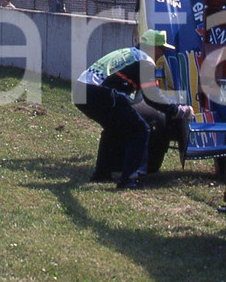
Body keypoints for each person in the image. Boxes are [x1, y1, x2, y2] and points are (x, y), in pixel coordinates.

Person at [74, 29, 193, 189]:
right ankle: (129, 179)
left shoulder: (129, 53)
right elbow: (152, 97)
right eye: (162, 49)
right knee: (140, 130)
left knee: (113, 128)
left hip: (80, 90)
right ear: (152, 47)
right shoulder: (145, 61)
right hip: (100, 92)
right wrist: (177, 110)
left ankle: (102, 173)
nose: (162, 55)